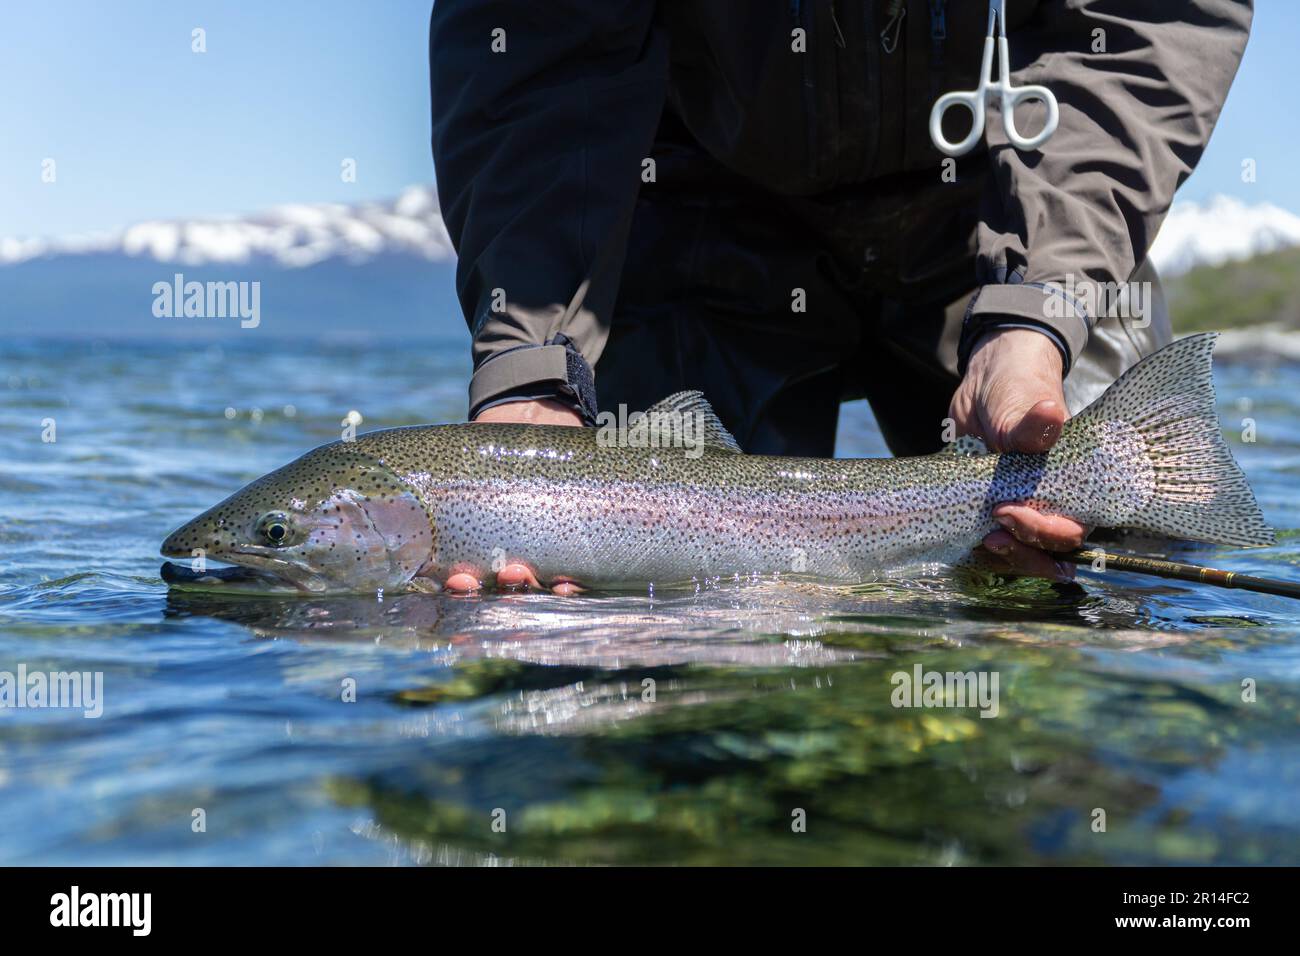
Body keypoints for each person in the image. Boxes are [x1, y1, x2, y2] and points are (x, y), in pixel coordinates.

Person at [428, 0, 1252, 581]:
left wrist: (1037, 311)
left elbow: (1150, 21)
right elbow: (535, 46)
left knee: (1114, 578)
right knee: (660, 631)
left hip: (1007, 200)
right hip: (693, 205)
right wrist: (533, 363)